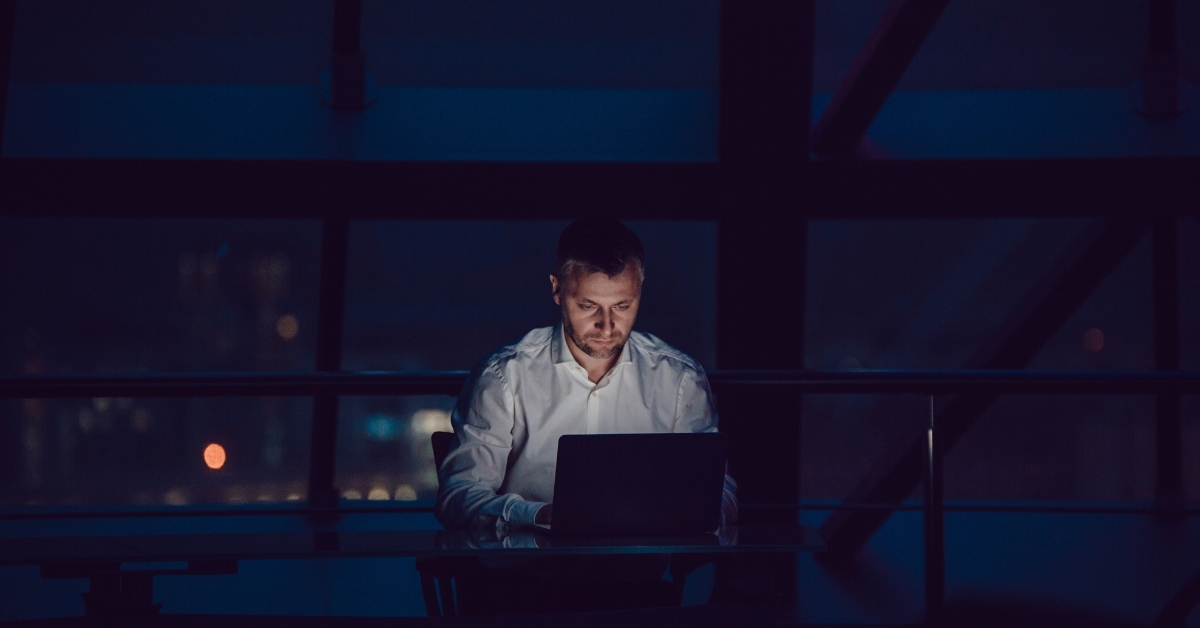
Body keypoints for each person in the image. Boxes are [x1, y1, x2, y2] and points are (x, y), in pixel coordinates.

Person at [435, 217, 737, 533]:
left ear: (640, 291)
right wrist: (539, 515)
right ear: (556, 289)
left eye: (622, 306)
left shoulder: (679, 380)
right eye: (588, 306)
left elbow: (721, 490)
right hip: (526, 573)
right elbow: (457, 496)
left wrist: (703, 512)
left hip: (639, 578)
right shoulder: (503, 376)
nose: (606, 326)